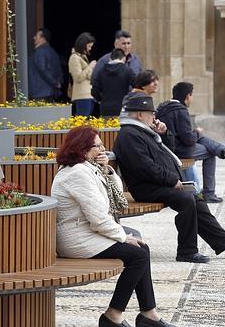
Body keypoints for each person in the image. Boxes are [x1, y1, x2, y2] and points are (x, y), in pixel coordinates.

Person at [52, 126, 175, 327]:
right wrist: (123, 237)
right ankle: (113, 316)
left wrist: (107, 170)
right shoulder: (77, 173)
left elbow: (115, 196)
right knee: (138, 254)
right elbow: (99, 218)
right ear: (82, 149)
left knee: (141, 249)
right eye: (97, 146)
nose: (102, 150)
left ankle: (148, 314)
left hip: (86, 233)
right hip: (76, 239)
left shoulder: (88, 168)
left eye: (102, 146)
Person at [113, 93, 225, 263]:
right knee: (186, 199)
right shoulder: (130, 135)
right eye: (151, 113)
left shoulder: (142, 131)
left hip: (157, 183)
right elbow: (144, 167)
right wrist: (171, 180)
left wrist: (164, 133)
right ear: (139, 114)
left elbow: (168, 152)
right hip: (146, 188)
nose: (154, 117)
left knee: (196, 199)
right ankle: (187, 251)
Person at [156, 82, 225, 203]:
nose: (192, 99)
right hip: (179, 150)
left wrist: (196, 134)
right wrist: (197, 132)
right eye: (192, 96)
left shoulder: (162, 107)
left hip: (166, 147)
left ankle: (223, 150)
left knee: (202, 139)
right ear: (187, 96)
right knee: (210, 152)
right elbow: (189, 139)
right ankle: (209, 193)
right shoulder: (181, 110)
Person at [91, 48, 136, 117]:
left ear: (110, 58)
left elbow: (94, 91)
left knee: (107, 127)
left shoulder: (101, 72)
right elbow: (137, 85)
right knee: (122, 127)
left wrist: (101, 100)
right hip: (122, 108)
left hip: (105, 108)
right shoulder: (127, 70)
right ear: (124, 58)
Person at [28, 28, 63, 101]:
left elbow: (43, 69)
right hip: (50, 92)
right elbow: (58, 70)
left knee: (38, 112)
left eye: (36, 36)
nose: (34, 37)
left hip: (40, 92)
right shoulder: (53, 51)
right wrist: (57, 83)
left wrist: (55, 83)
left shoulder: (40, 51)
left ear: (43, 39)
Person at [68, 32, 97, 116]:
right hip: (82, 95)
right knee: (82, 121)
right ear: (82, 45)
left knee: (85, 121)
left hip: (88, 95)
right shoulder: (74, 57)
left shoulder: (82, 57)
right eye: (89, 46)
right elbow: (78, 77)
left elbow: (86, 75)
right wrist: (90, 67)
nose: (90, 49)